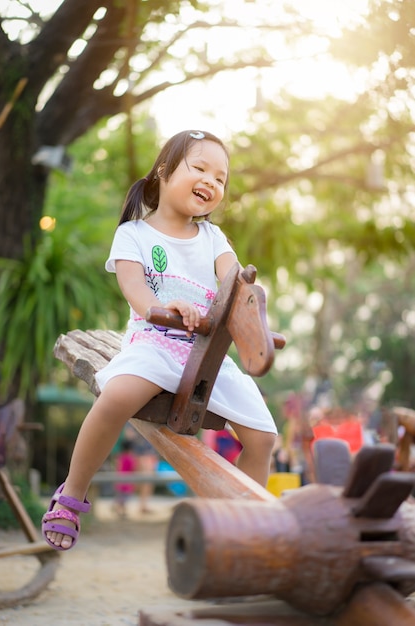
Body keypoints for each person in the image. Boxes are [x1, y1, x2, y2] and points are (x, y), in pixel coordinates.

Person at [42, 129, 277, 551]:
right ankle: (73, 492)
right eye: (200, 168)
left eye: (221, 178)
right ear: (165, 173)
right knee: (115, 396)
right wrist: (172, 307)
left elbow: (234, 285)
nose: (211, 181)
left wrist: (251, 307)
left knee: (263, 437)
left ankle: (243, 525)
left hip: (208, 356)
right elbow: (137, 292)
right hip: (156, 340)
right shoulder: (134, 234)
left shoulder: (214, 239)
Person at [113, 439, 137, 518]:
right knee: (125, 498)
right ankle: (121, 509)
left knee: (120, 496)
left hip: (120, 479)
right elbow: (133, 468)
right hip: (127, 481)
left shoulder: (120, 457)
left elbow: (118, 467)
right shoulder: (130, 458)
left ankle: (119, 509)